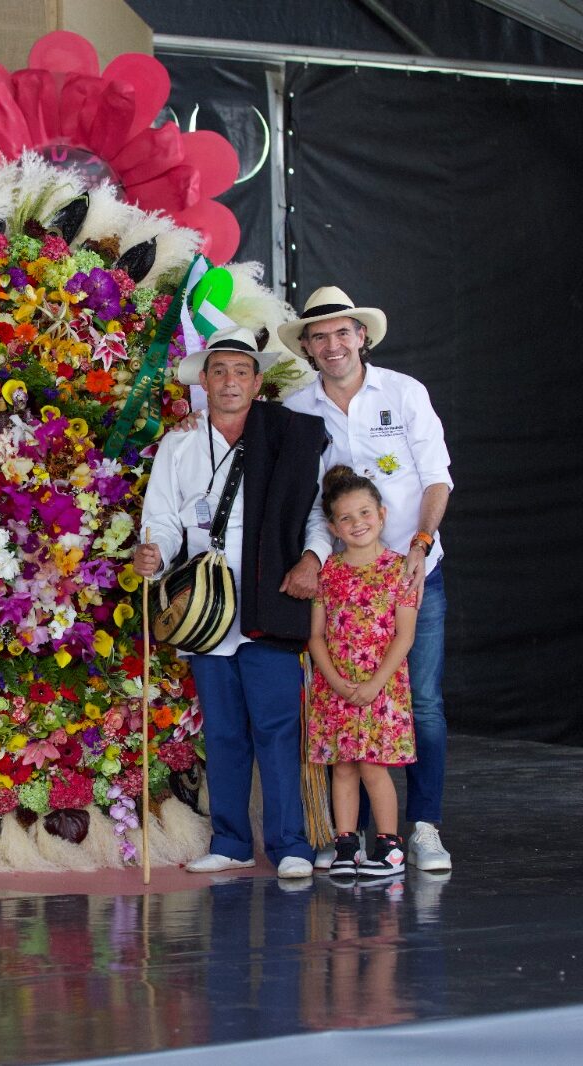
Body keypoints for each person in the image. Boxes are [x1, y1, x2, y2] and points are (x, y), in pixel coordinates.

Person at [133, 325, 332, 879]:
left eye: (241, 371)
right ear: (204, 378)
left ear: (258, 381)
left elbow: (315, 512)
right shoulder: (179, 443)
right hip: (203, 604)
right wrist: (154, 551)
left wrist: (312, 558)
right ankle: (231, 841)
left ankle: (291, 844)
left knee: (276, 725)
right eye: (219, 370)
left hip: (270, 594)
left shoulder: (288, 436)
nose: (229, 381)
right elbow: (165, 518)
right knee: (221, 729)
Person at [279, 287, 453, 872]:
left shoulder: (404, 393)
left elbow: (436, 480)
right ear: (306, 346)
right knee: (344, 706)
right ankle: (346, 834)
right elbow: (310, 504)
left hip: (410, 574)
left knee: (422, 703)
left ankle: (422, 826)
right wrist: (313, 556)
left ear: (362, 336)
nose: (333, 345)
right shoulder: (300, 409)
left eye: (342, 332)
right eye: (320, 335)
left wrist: (419, 547)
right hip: (346, 587)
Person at [308, 465, 418, 880]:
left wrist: (373, 684)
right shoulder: (328, 573)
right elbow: (316, 636)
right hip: (334, 686)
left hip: (382, 687)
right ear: (334, 527)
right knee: (343, 766)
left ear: (383, 515)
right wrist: (336, 681)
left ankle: (389, 848)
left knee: (374, 765)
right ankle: (346, 844)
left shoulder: (400, 571)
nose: (358, 524)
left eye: (365, 513)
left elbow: (404, 637)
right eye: (347, 518)